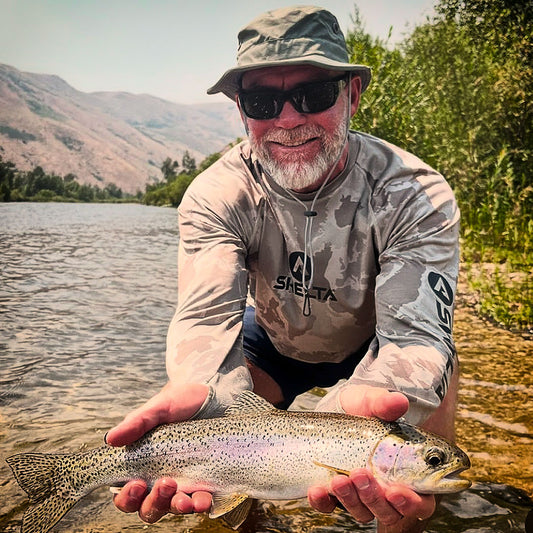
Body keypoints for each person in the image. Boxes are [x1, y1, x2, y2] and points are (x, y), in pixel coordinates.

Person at [106, 5, 460, 532]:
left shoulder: (416, 194)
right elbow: (206, 325)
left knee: (415, 486)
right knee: (222, 477)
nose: (288, 119)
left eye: (313, 95)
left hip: (380, 346)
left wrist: (343, 423)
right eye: (263, 101)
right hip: (274, 342)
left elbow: (413, 337)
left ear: (352, 97)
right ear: (241, 110)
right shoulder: (215, 195)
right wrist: (203, 392)